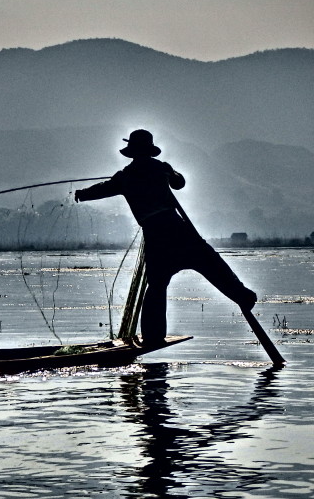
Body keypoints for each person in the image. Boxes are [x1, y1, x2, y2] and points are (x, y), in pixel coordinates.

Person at [74, 129, 256, 345]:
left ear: (133, 152)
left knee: (160, 284)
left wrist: (82, 194)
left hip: (159, 234)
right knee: (208, 264)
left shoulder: (129, 176)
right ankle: (242, 296)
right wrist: (171, 174)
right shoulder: (152, 170)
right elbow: (179, 183)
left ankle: (153, 335)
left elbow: (103, 189)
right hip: (174, 229)